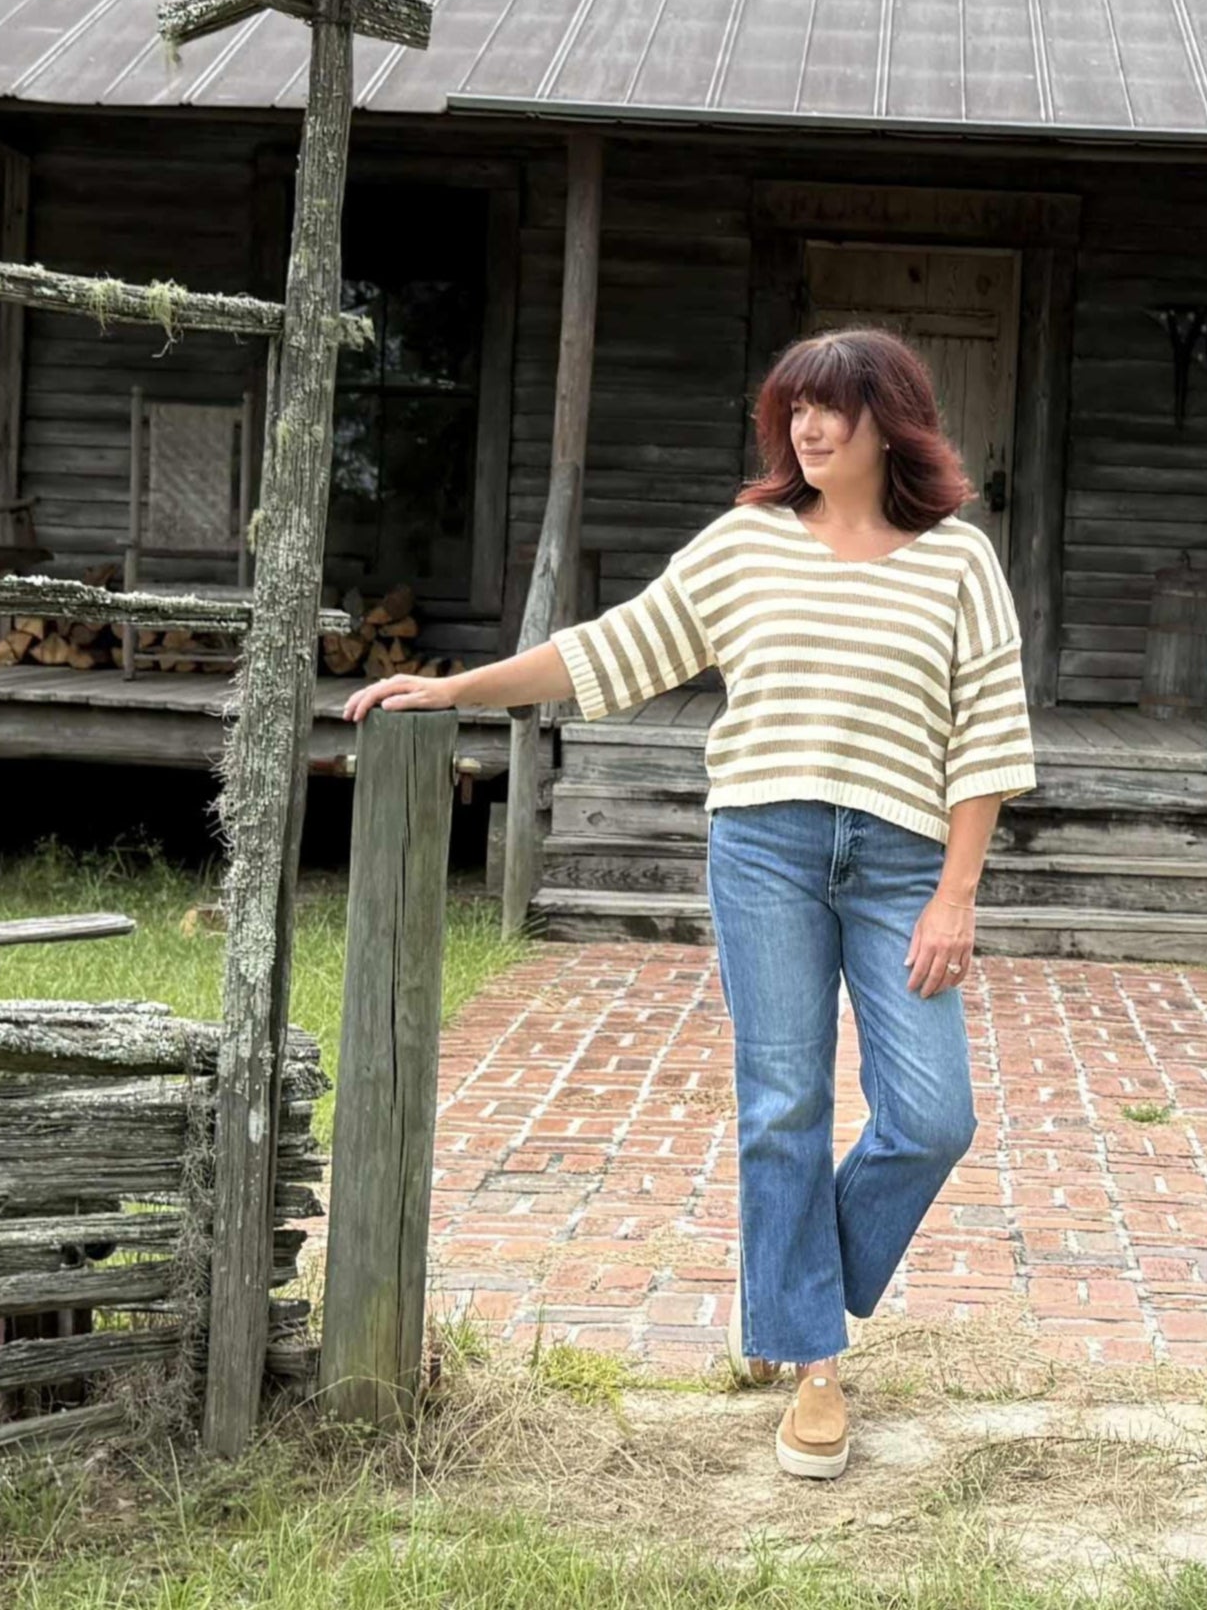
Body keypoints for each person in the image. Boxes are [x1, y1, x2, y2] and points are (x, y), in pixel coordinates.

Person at [348, 325, 1037, 1480]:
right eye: (794, 412)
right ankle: (813, 1362)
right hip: (762, 844)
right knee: (782, 1104)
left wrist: (958, 892)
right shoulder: (746, 546)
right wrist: (460, 686)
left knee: (932, 1114)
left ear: (892, 421)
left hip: (904, 859)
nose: (809, 430)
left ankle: (793, 1284)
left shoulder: (958, 559)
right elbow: (610, 650)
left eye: (832, 410)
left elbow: (991, 739)